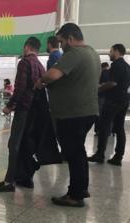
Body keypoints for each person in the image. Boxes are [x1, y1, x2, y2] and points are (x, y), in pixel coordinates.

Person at [34, 23, 100, 207]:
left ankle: (75, 194)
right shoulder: (92, 53)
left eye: (62, 41)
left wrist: (41, 80)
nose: (61, 45)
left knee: (73, 153)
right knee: (78, 151)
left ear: (70, 39)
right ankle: (81, 188)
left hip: (72, 113)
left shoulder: (75, 54)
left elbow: (53, 75)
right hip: (87, 111)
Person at [0, 37, 59, 192]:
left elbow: (20, 88)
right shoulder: (41, 65)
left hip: (24, 110)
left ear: (27, 47)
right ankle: (26, 178)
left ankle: (9, 182)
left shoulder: (25, 62)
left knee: (13, 144)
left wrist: (9, 106)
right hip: (35, 111)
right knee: (26, 144)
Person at [88, 44, 130, 166]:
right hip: (124, 100)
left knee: (104, 126)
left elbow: (113, 83)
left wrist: (99, 88)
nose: (109, 53)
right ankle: (118, 157)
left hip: (113, 101)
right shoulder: (127, 66)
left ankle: (100, 155)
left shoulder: (116, 65)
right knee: (119, 128)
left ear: (116, 51)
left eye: (111, 51)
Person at [94, 62, 110, 135]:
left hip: (101, 96)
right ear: (107, 66)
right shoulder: (111, 73)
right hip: (109, 97)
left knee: (99, 114)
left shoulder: (102, 73)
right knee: (108, 114)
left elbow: (98, 85)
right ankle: (109, 131)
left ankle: (98, 131)